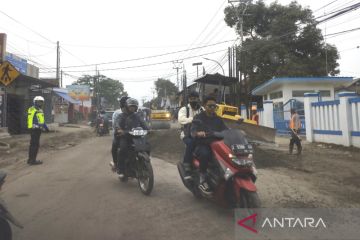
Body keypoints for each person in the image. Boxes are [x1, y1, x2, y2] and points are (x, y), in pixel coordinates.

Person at [191, 96, 228, 194]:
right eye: (210, 106)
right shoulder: (198, 117)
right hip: (203, 144)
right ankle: (202, 176)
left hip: (217, 144)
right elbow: (193, 130)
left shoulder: (218, 119)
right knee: (205, 154)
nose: (212, 108)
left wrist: (237, 132)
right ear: (204, 105)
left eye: (214, 106)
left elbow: (226, 130)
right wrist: (197, 133)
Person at [115, 98, 149, 178]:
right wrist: (119, 129)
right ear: (127, 107)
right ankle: (121, 169)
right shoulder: (121, 116)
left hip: (137, 137)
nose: (132, 108)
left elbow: (144, 124)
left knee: (147, 146)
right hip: (126, 136)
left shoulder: (137, 116)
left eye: (134, 107)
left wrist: (148, 129)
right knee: (123, 149)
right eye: (131, 107)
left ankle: (143, 163)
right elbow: (117, 124)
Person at [178, 91, 203, 179]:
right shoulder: (184, 109)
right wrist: (192, 119)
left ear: (198, 99)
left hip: (200, 133)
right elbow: (181, 119)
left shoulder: (202, 109)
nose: (193, 100)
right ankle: (186, 164)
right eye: (191, 99)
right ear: (189, 99)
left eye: (195, 98)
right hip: (186, 134)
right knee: (191, 143)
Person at [27, 96, 49, 165]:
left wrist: (46, 128)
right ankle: (32, 160)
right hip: (35, 129)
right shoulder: (34, 109)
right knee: (34, 145)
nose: (40, 103)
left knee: (34, 145)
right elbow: (31, 119)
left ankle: (30, 159)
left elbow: (42, 121)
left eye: (41, 102)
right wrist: (32, 127)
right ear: (35, 102)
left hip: (36, 129)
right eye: (39, 102)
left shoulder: (37, 109)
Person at [111, 96, 129, 171]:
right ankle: (116, 164)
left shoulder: (134, 112)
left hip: (131, 134)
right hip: (120, 134)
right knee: (115, 146)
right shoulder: (118, 113)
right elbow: (115, 124)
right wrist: (119, 129)